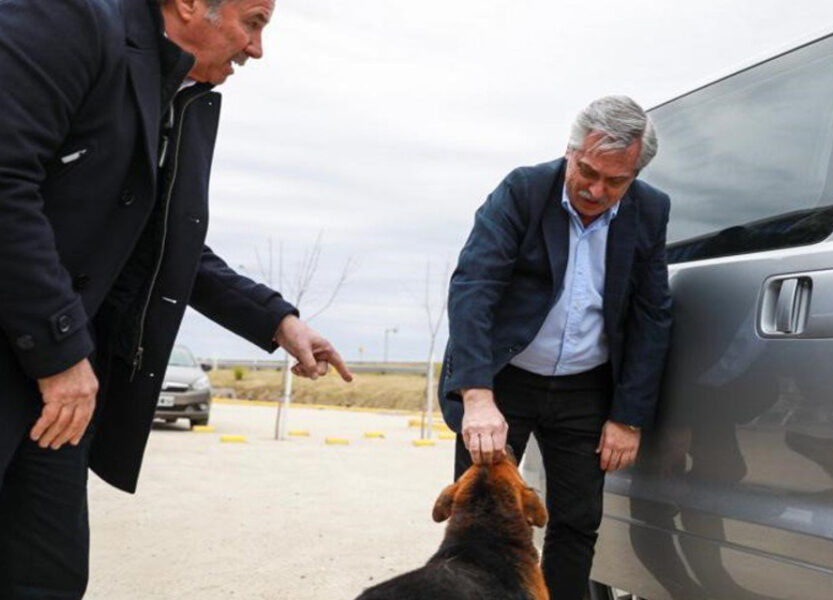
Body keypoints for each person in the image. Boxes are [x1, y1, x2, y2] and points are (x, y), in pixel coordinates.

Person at [0, 0, 351, 597]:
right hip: (45, 351)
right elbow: (5, 184)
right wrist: (61, 353)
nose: (256, 50)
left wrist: (277, 320)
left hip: (54, 383)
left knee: (48, 577)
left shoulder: (178, 98)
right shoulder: (66, 21)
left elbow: (165, 243)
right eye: (254, 23)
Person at [438, 96, 672, 600]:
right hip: (505, 380)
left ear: (635, 176)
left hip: (586, 387)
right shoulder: (523, 191)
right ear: (570, 151)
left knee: (577, 522)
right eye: (587, 171)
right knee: (479, 527)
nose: (595, 189)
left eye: (615, 182)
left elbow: (652, 314)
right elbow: (474, 287)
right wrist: (477, 397)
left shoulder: (651, 210)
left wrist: (628, 416)